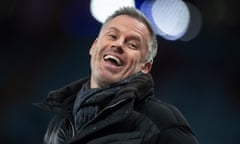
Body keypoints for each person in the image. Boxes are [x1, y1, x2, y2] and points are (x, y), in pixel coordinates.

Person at [35, 7, 199, 144]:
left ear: (145, 66)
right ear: (94, 47)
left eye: (132, 44)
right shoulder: (59, 123)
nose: (118, 44)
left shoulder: (161, 122)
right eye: (112, 36)